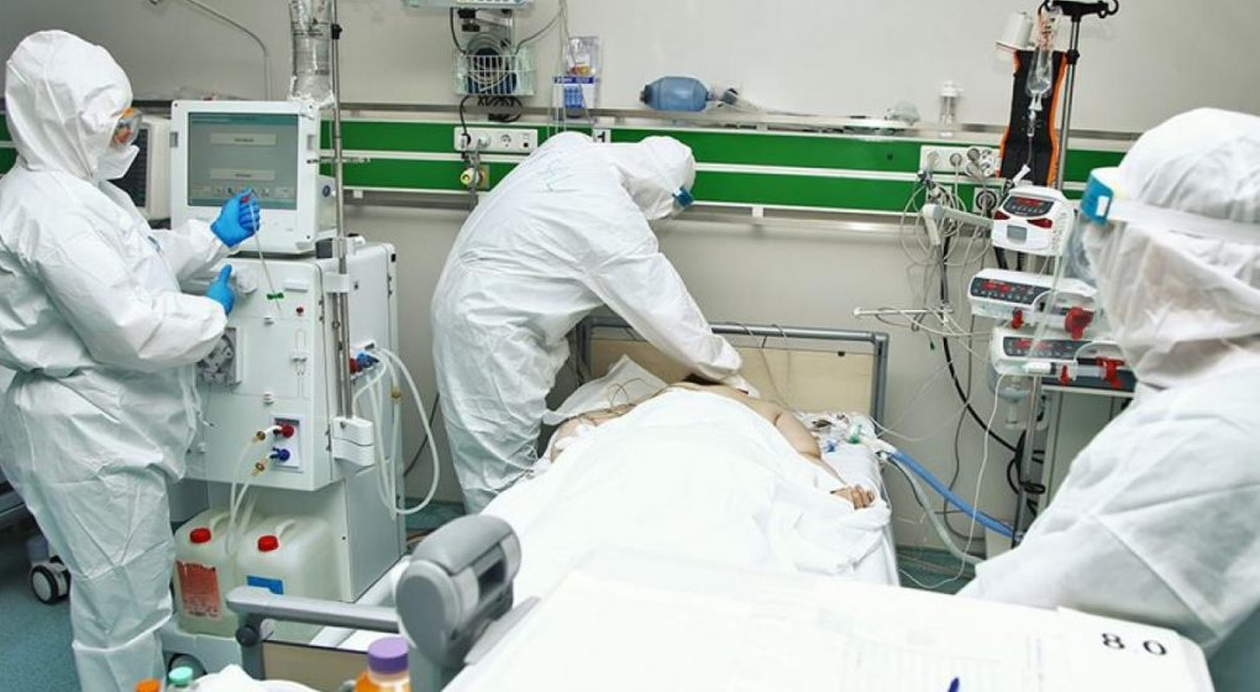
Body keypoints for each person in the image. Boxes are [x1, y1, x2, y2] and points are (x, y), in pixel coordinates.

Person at [959, 108, 1260, 691]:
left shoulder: (1214, 437)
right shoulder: (1214, 395)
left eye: (1116, 241)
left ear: (1176, 261)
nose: (1104, 265)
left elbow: (1007, 628)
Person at [0, 30, 259, 691]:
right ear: (64, 122)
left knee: (134, 591)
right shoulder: (46, 214)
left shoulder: (81, 189)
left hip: (107, 424)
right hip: (84, 438)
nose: (127, 138)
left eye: (128, 121)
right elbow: (130, 326)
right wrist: (213, 312)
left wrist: (211, 238)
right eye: (113, 126)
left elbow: (138, 261)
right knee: (122, 613)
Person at [432, 131, 748, 512]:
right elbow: (668, 310)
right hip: (491, 330)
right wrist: (730, 374)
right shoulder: (608, 218)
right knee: (499, 475)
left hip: (469, 301)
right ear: (665, 190)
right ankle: (502, 544)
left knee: (488, 461)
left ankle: (496, 537)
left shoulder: (569, 147)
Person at [547, 376, 877, 509]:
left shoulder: (658, 399)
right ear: (739, 388)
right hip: (726, 448)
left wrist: (569, 466)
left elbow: (576, 427)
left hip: (650, 444)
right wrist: (834, 489)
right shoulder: (758, 405)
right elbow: (806, 454)